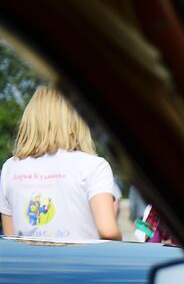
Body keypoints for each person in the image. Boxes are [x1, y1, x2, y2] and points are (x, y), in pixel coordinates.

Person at [1, 85, 120, 241]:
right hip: (80, 263)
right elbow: (108, 231)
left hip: (28, 265)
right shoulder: (94, 166)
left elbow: (10, 238)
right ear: (75, 119)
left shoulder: (10, 167)